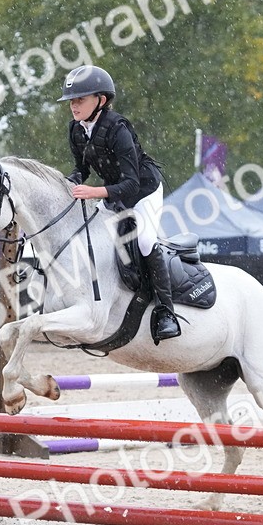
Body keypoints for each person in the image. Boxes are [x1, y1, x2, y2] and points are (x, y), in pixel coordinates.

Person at [58, 64, 180, 344]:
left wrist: (93, 192)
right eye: (71, 101)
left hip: (143, 191)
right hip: (112, 193)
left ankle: (166, 312)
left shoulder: (118, 128)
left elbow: (131, 184)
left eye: (80, 100)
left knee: (147, 240)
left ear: (100, 100)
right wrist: (67, 183)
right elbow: (81, 170)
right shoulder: (76, 129)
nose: (73, 106)